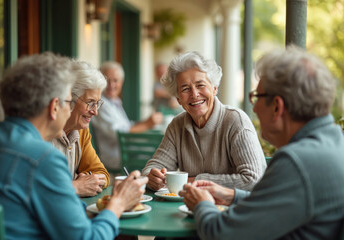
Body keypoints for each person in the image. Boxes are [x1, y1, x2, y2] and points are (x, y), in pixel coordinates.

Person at [0, 53, 147, 239]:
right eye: (68, 102)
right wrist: (119, 203)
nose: (69, 109)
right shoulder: (43, 159)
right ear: (54, 106)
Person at [179, 46, 344, 239]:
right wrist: (232, 196)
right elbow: (283, 206)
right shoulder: (334, 143)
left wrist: (202, 204)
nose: (254, 108)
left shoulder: (296, 162)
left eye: (256, 97)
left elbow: (221, 235)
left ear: (277, 107)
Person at [142, 51, 266, 191]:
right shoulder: (177, 125)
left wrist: (197, 181)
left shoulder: (236, 121)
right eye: (185, 88)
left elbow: (253, 180)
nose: (194, 94)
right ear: (178, 100)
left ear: (214, 89)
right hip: (191, 208)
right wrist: (152, 177)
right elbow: (155, 166)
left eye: (200, 85)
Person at [91, 61, 163, 171]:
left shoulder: (114, 101)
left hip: (128, 153)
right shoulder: (101, 104)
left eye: (115, 80)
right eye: (106, 80)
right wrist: (147, 124)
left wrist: (147, 122)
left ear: (122, 82)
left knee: (161, 156)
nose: (111, 85)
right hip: (118, 159)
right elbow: (120, 133)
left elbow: (127, 125)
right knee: (158, 159)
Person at [52, 60, 110, 197]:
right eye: (90, 103)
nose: (95, 112)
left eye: (97, 103)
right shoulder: (43, 132)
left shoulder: (81, 131)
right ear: (68, 97)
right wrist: (75, 186)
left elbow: (101, 173)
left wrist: (89, 181)